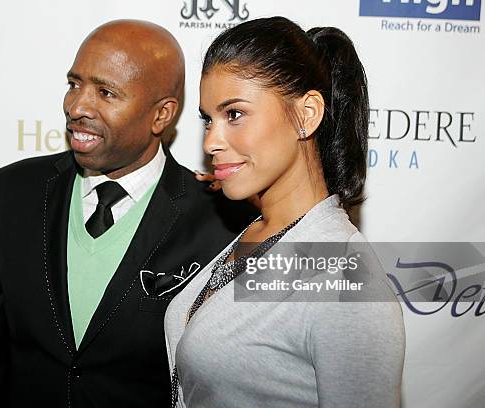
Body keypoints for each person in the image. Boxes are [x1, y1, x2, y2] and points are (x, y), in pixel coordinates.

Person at [0, 20, 254, 407]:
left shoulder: (223, 220)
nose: (76, 107)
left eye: (105, 92)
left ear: (161, 115)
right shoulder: (10, 193)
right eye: (74, 84)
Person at [165, 16, 406, 408]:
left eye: (235, 114)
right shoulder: (255, 232)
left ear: (307, 114)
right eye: (209, 119)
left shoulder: (345, 278)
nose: (211, 141)